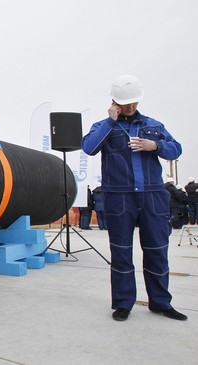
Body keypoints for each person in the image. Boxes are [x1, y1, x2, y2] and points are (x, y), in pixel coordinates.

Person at [82, 75, 186, 321]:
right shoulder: (103, 126)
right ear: (114, 101)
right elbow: (89, 147)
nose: (130, 107)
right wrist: (110, 120)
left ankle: (160, 302)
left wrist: (155, 146)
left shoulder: (154, 126)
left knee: (157, 250)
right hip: (119, 198)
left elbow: (177, 148)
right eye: (125, 103)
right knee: (121, 251)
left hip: (153, 196)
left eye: (133, 103)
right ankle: (123, 303)